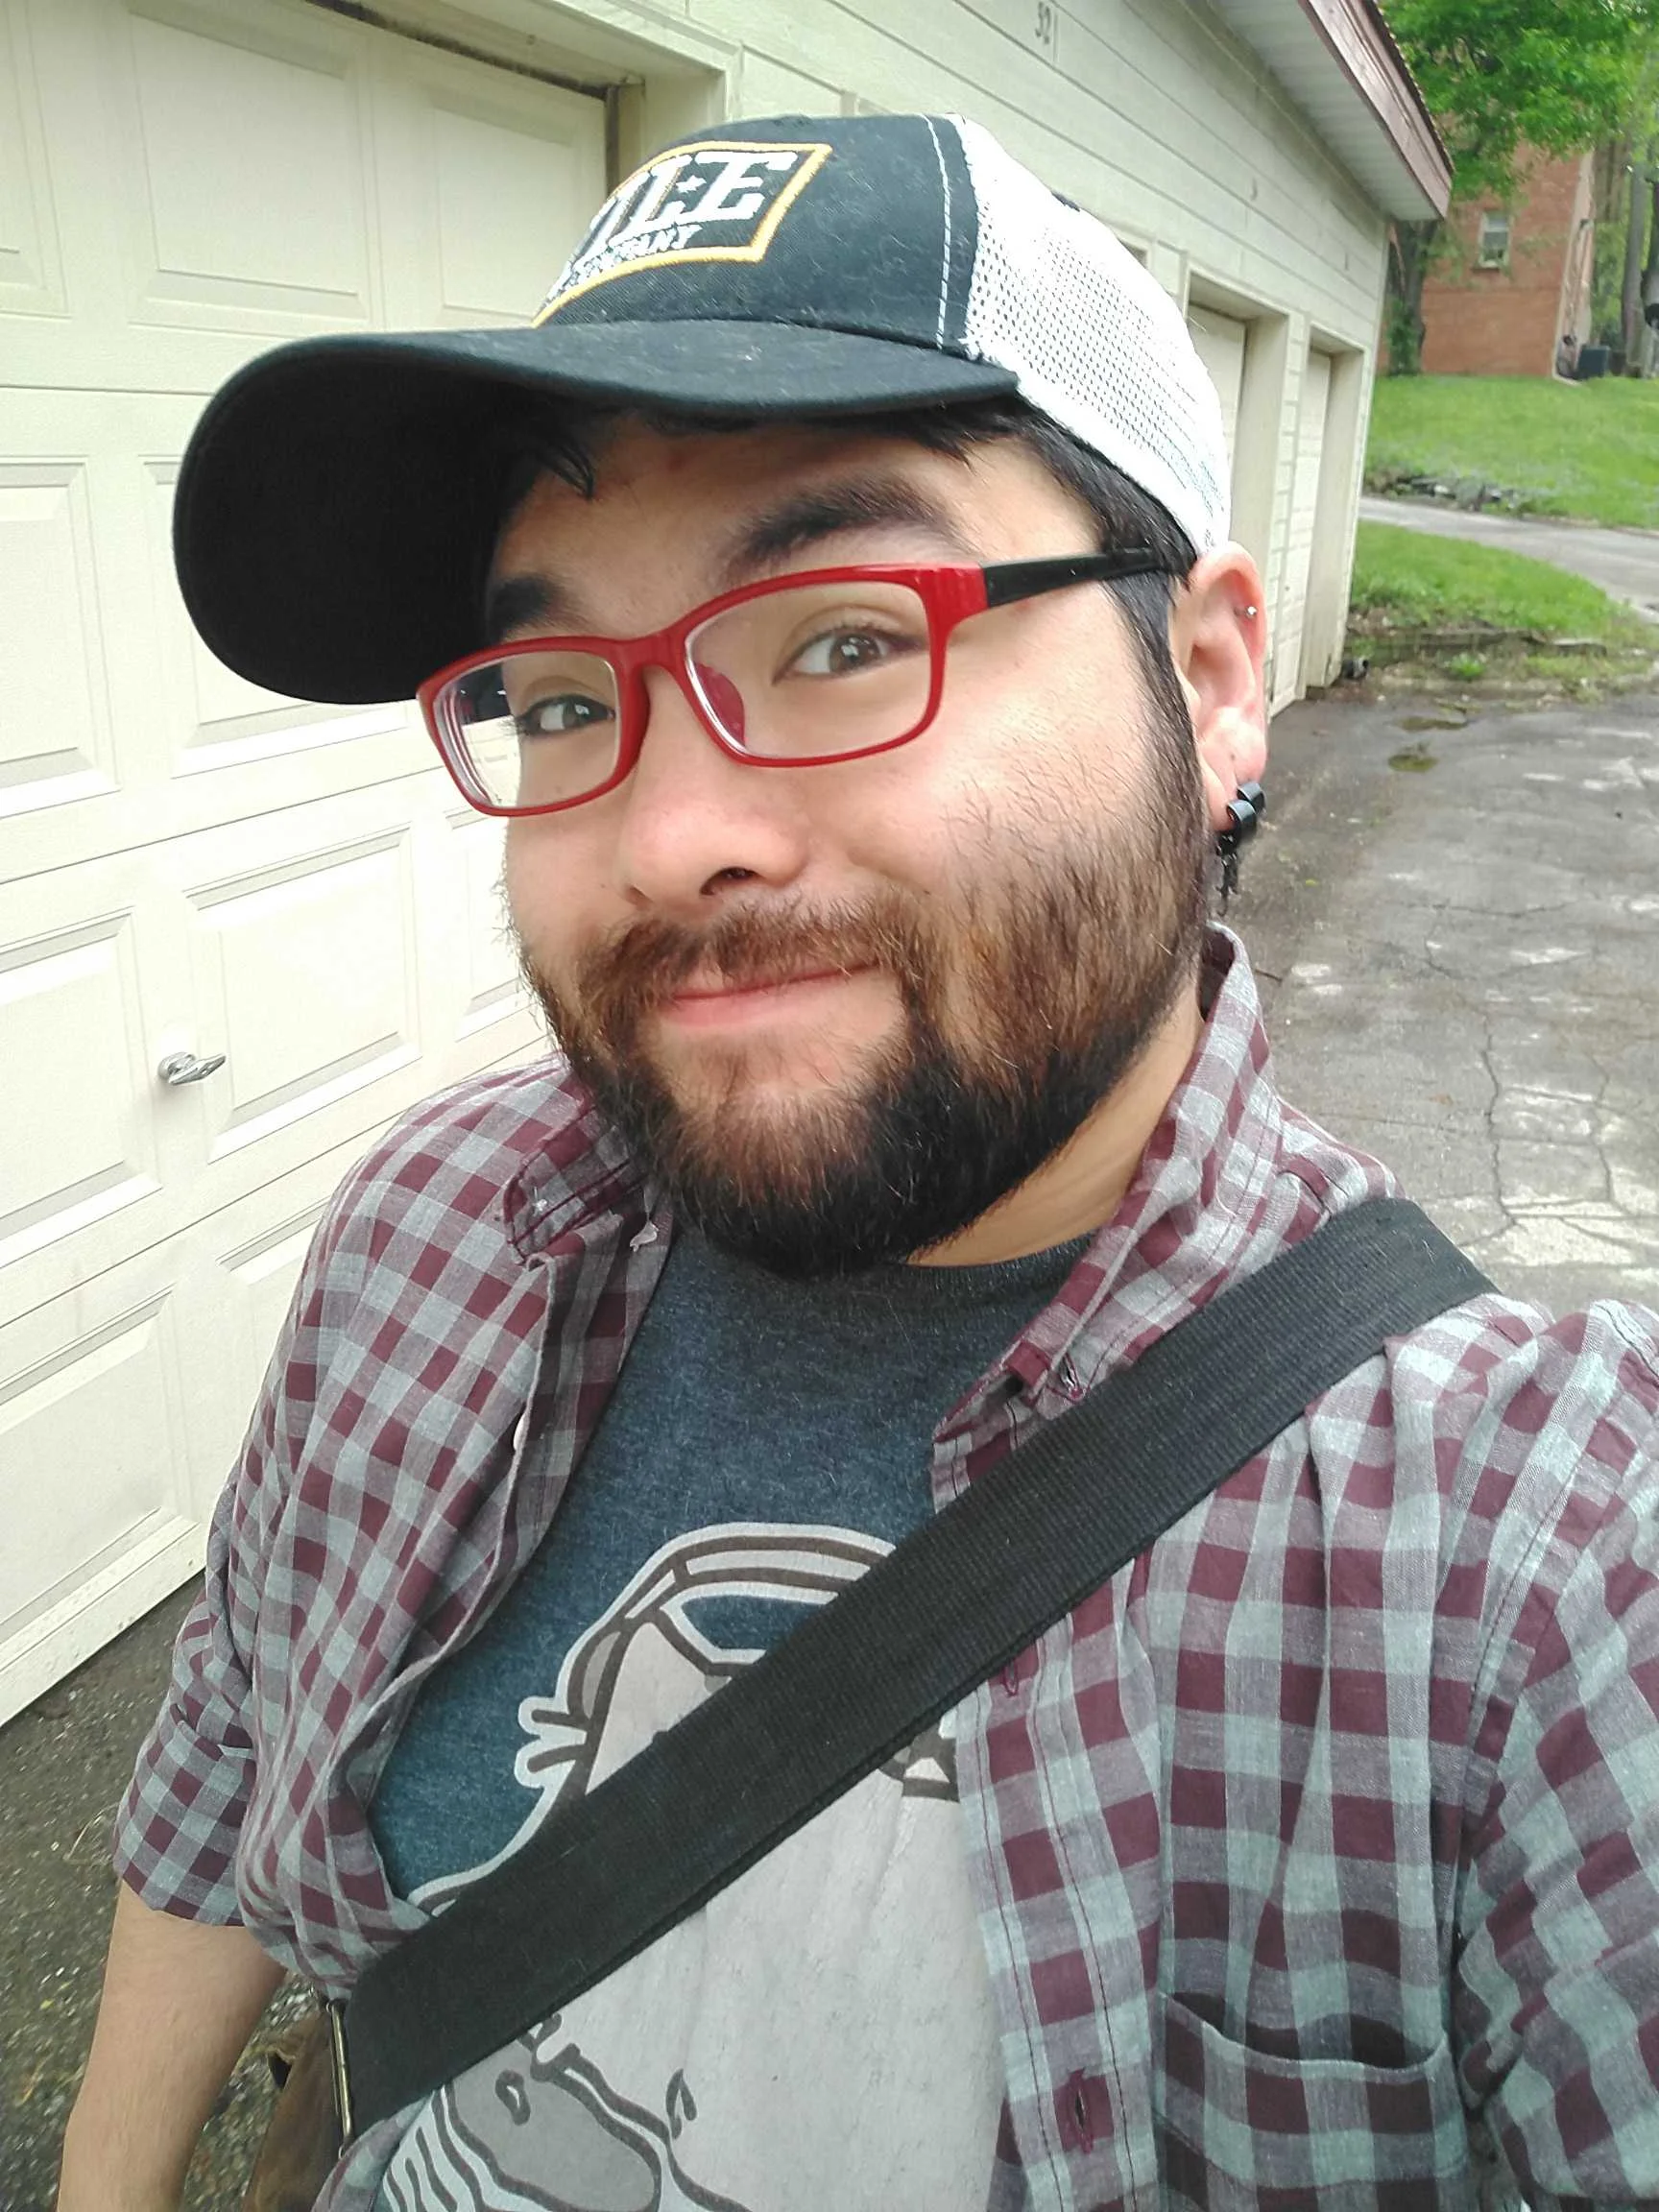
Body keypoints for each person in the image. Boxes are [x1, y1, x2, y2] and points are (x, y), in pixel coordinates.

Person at [59, 113, 1659, 2212]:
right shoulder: (435, 1231)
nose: (664, 840)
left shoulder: (1535, 1563)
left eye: (841, 639)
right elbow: (230, 1757)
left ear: (1208, 681)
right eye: (559, 696)